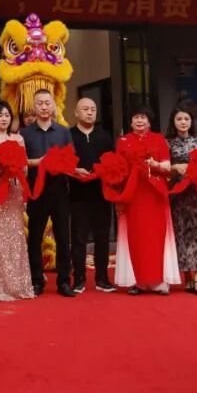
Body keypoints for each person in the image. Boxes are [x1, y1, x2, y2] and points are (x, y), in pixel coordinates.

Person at [115, 106, 180, 294]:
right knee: (136, 237)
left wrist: (154, 164)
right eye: (136, 117)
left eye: (143, 117)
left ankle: (160, 281)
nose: (139, 120)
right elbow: (118, 169)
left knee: (156, 237)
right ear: (130, 122)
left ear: (149, 121)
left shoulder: (158, 139)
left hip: (155, 194)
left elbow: (167, 166)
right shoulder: (123, 141)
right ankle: (139, 281)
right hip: (133, 195)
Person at [20, 88, 75, 297]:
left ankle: (64, 281)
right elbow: (20, 163)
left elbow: (71, 159)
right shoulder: (25, 134)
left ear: (53, 106)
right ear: (34, 107)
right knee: (35, 238)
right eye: (40, 103)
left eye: (47, 103)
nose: (44, 107)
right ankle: (36, 281)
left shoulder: (63, 131)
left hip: (60, 191)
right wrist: (39, 163)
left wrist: (62, 165)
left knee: (63, 238)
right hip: (36, 192)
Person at [0, 101, 35, 302]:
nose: (4, 119)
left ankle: (18, 285)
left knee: (15, 236)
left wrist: (14, 167)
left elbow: (25, 166)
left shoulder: (18, 138)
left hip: (13, 191)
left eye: (7, 115)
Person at [69, 97, 115, 293]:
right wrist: (74, 170)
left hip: (101, 194)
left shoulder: (104, 136)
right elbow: (63, 162)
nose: (89, 112)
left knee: (102, 237)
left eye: (93, 109)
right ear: (76, 113)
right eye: (85, 109)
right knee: (78, 239)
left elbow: (113, 162)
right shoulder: (69, 135)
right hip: (78, 194)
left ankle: (102, 279)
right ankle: (78, 279)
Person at [167, 104, 197, 293]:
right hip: (177, 193)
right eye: (179, 119)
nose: (183, 122)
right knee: (181, 232)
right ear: (173, 122)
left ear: (192, 122)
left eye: (186, 119)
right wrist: (174, 168)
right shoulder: (168, 143)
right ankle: (187, 278)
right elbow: (164, 168)